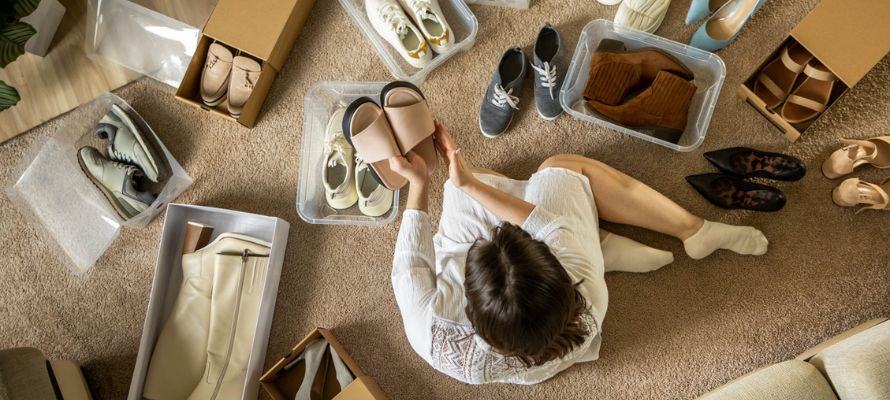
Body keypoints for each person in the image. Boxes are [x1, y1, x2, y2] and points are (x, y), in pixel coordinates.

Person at [389, 122, 768, 385]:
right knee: (560, 168)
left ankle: (604, 245)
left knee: (468, 187)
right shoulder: (583, 289)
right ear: (561, 276)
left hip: (541, 354)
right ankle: (691, 230)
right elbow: (543, 224)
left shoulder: (429, 332)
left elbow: (412, 259)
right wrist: (468, 184)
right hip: (575, 304)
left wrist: (419, 183)